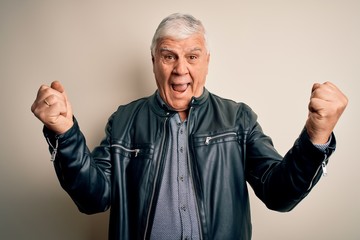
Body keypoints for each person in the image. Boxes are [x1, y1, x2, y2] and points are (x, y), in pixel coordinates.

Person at [31, 13, 348, 240]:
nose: (180, 69)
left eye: (192, 56)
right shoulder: (124, 121)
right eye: (168, 56)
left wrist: (316, 137)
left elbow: (279, 194)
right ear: (153, 60)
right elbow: (93, 198)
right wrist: (65, 133)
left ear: (207, 60)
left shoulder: (238, 119)